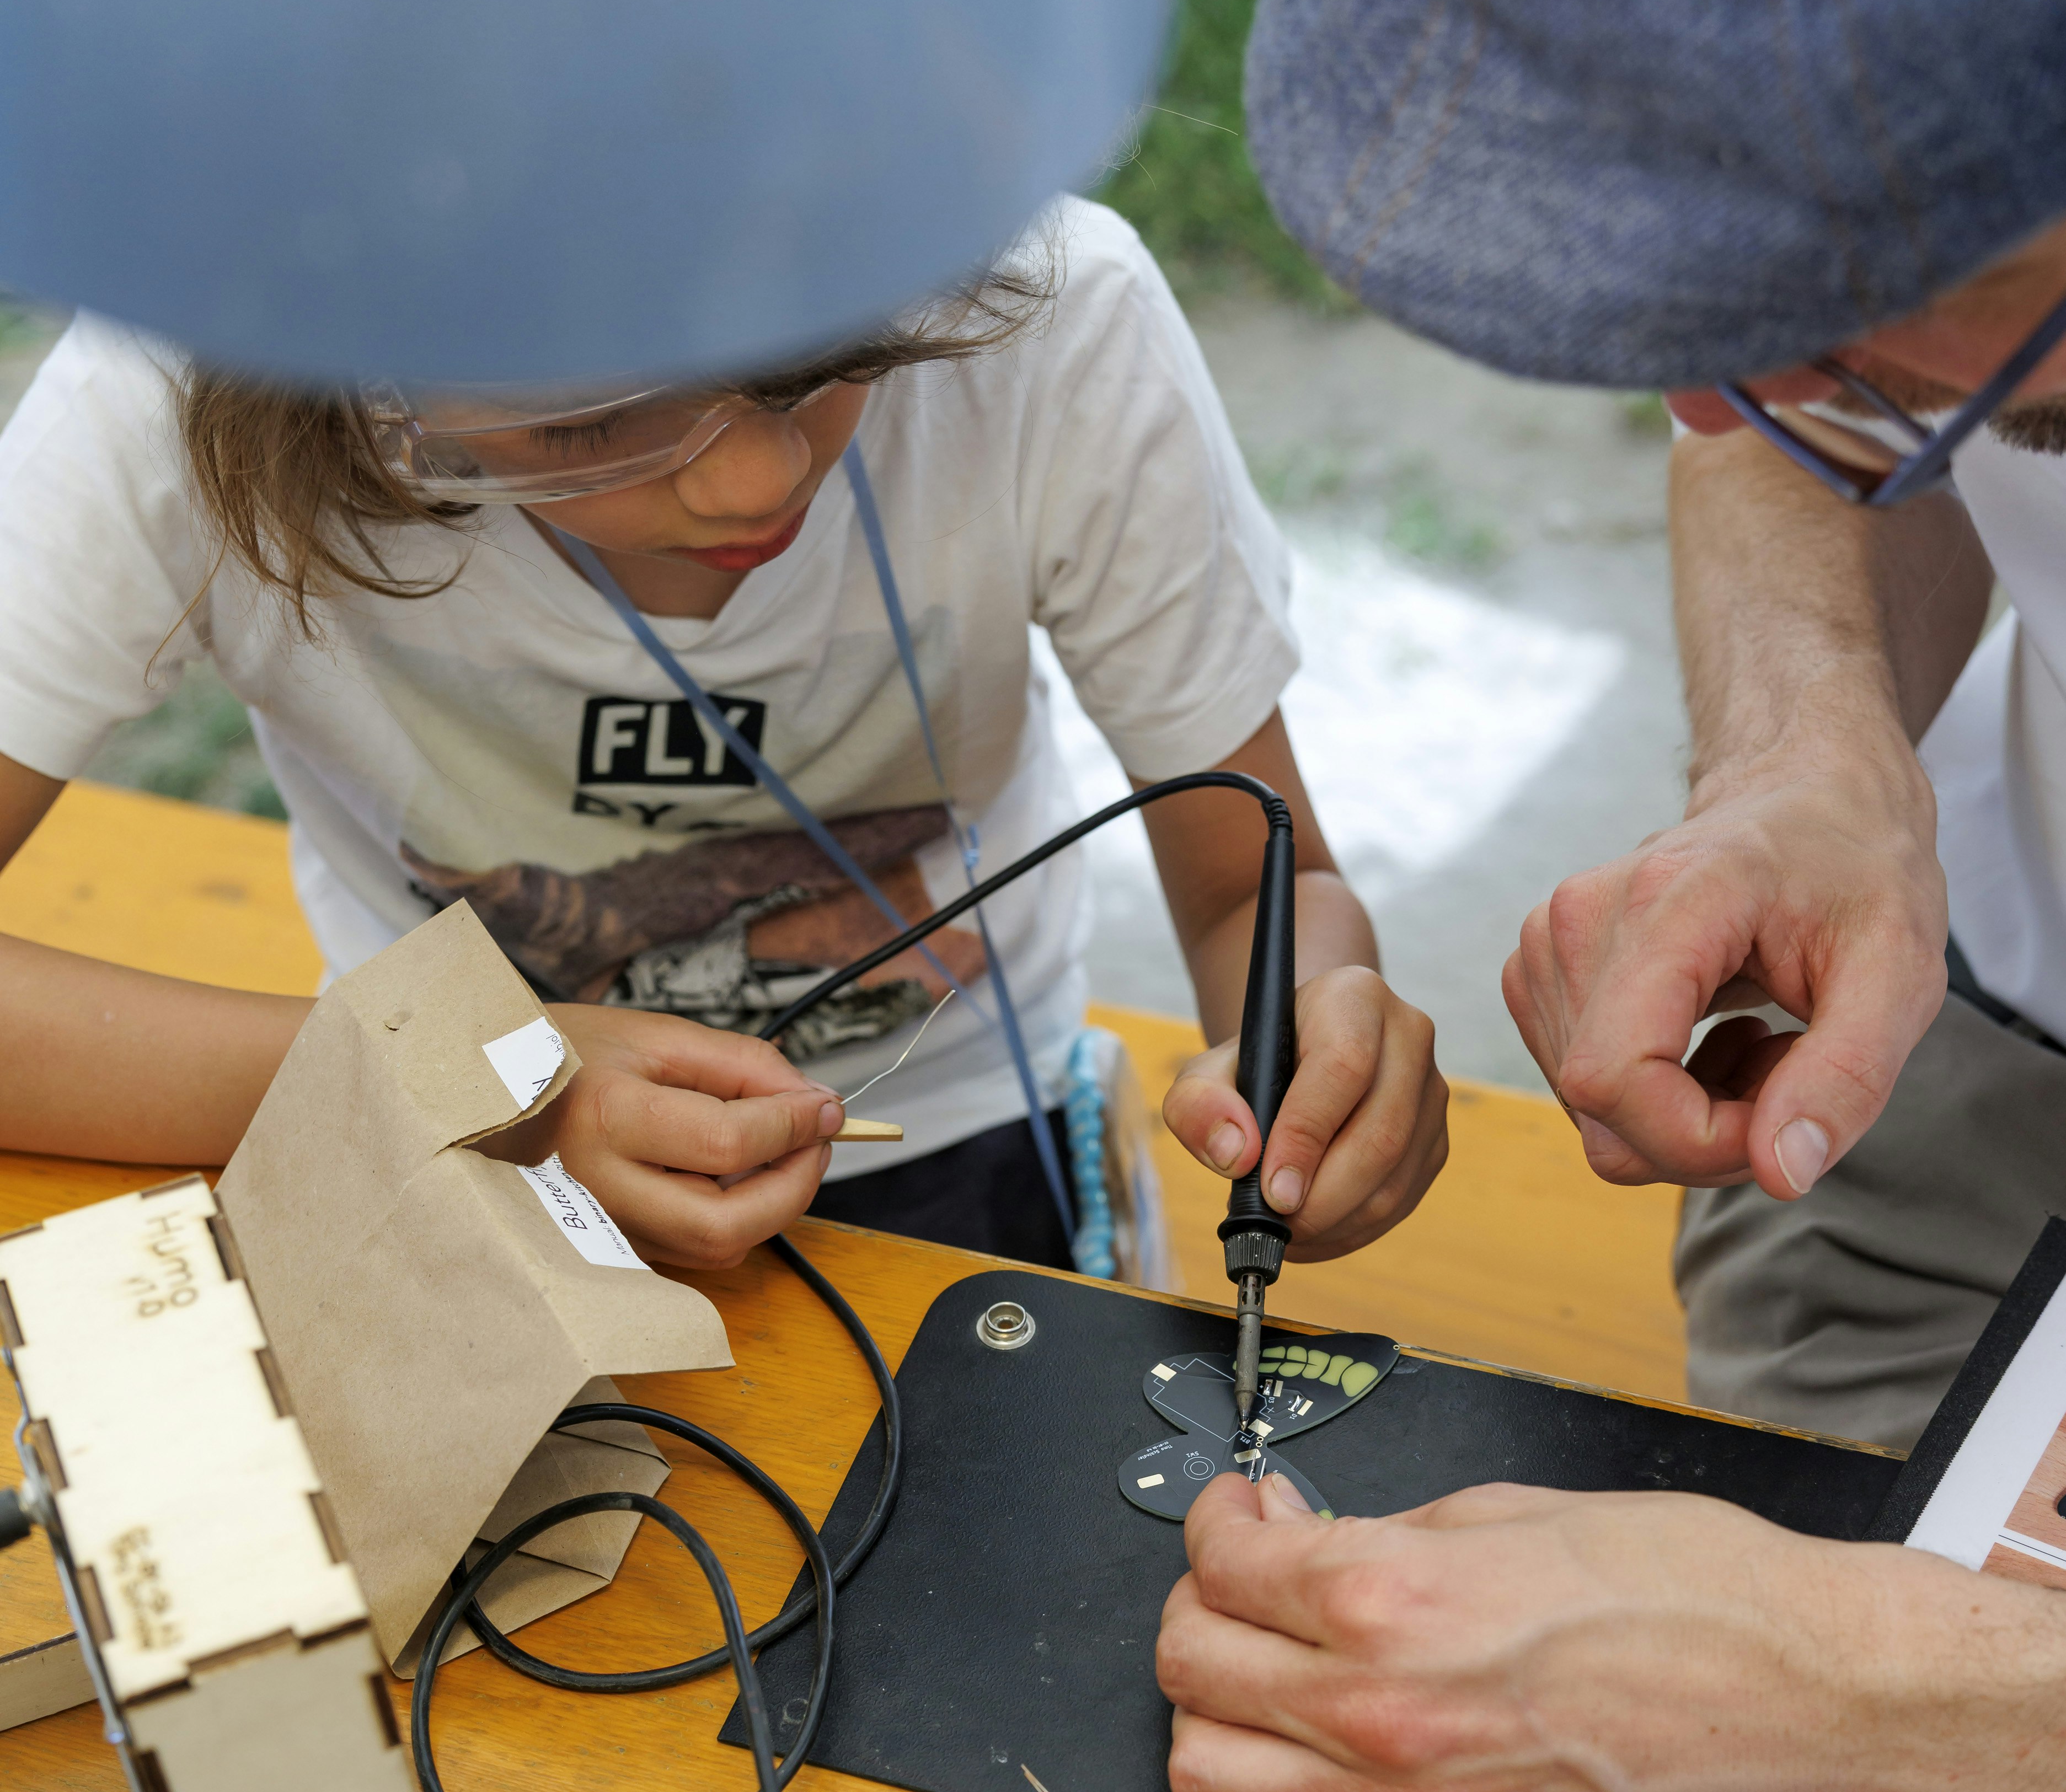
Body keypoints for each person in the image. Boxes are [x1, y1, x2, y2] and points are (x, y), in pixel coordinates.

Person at [1152, 0, 2066, 1792]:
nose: (1736, 397)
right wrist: (1809, 741)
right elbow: (1785, 427)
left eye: (1888, 317)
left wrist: (1842, 1696)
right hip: (1994, 1058)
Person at [0, 198, 1446, 1276]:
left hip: (943, 1129)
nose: (756, 478)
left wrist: (1315, 1049)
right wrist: (474, 1086)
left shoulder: (1044, 313)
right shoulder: (175, 400)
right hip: (448, 1152)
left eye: (823, 357)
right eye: (592, 426)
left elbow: (1260, 883)